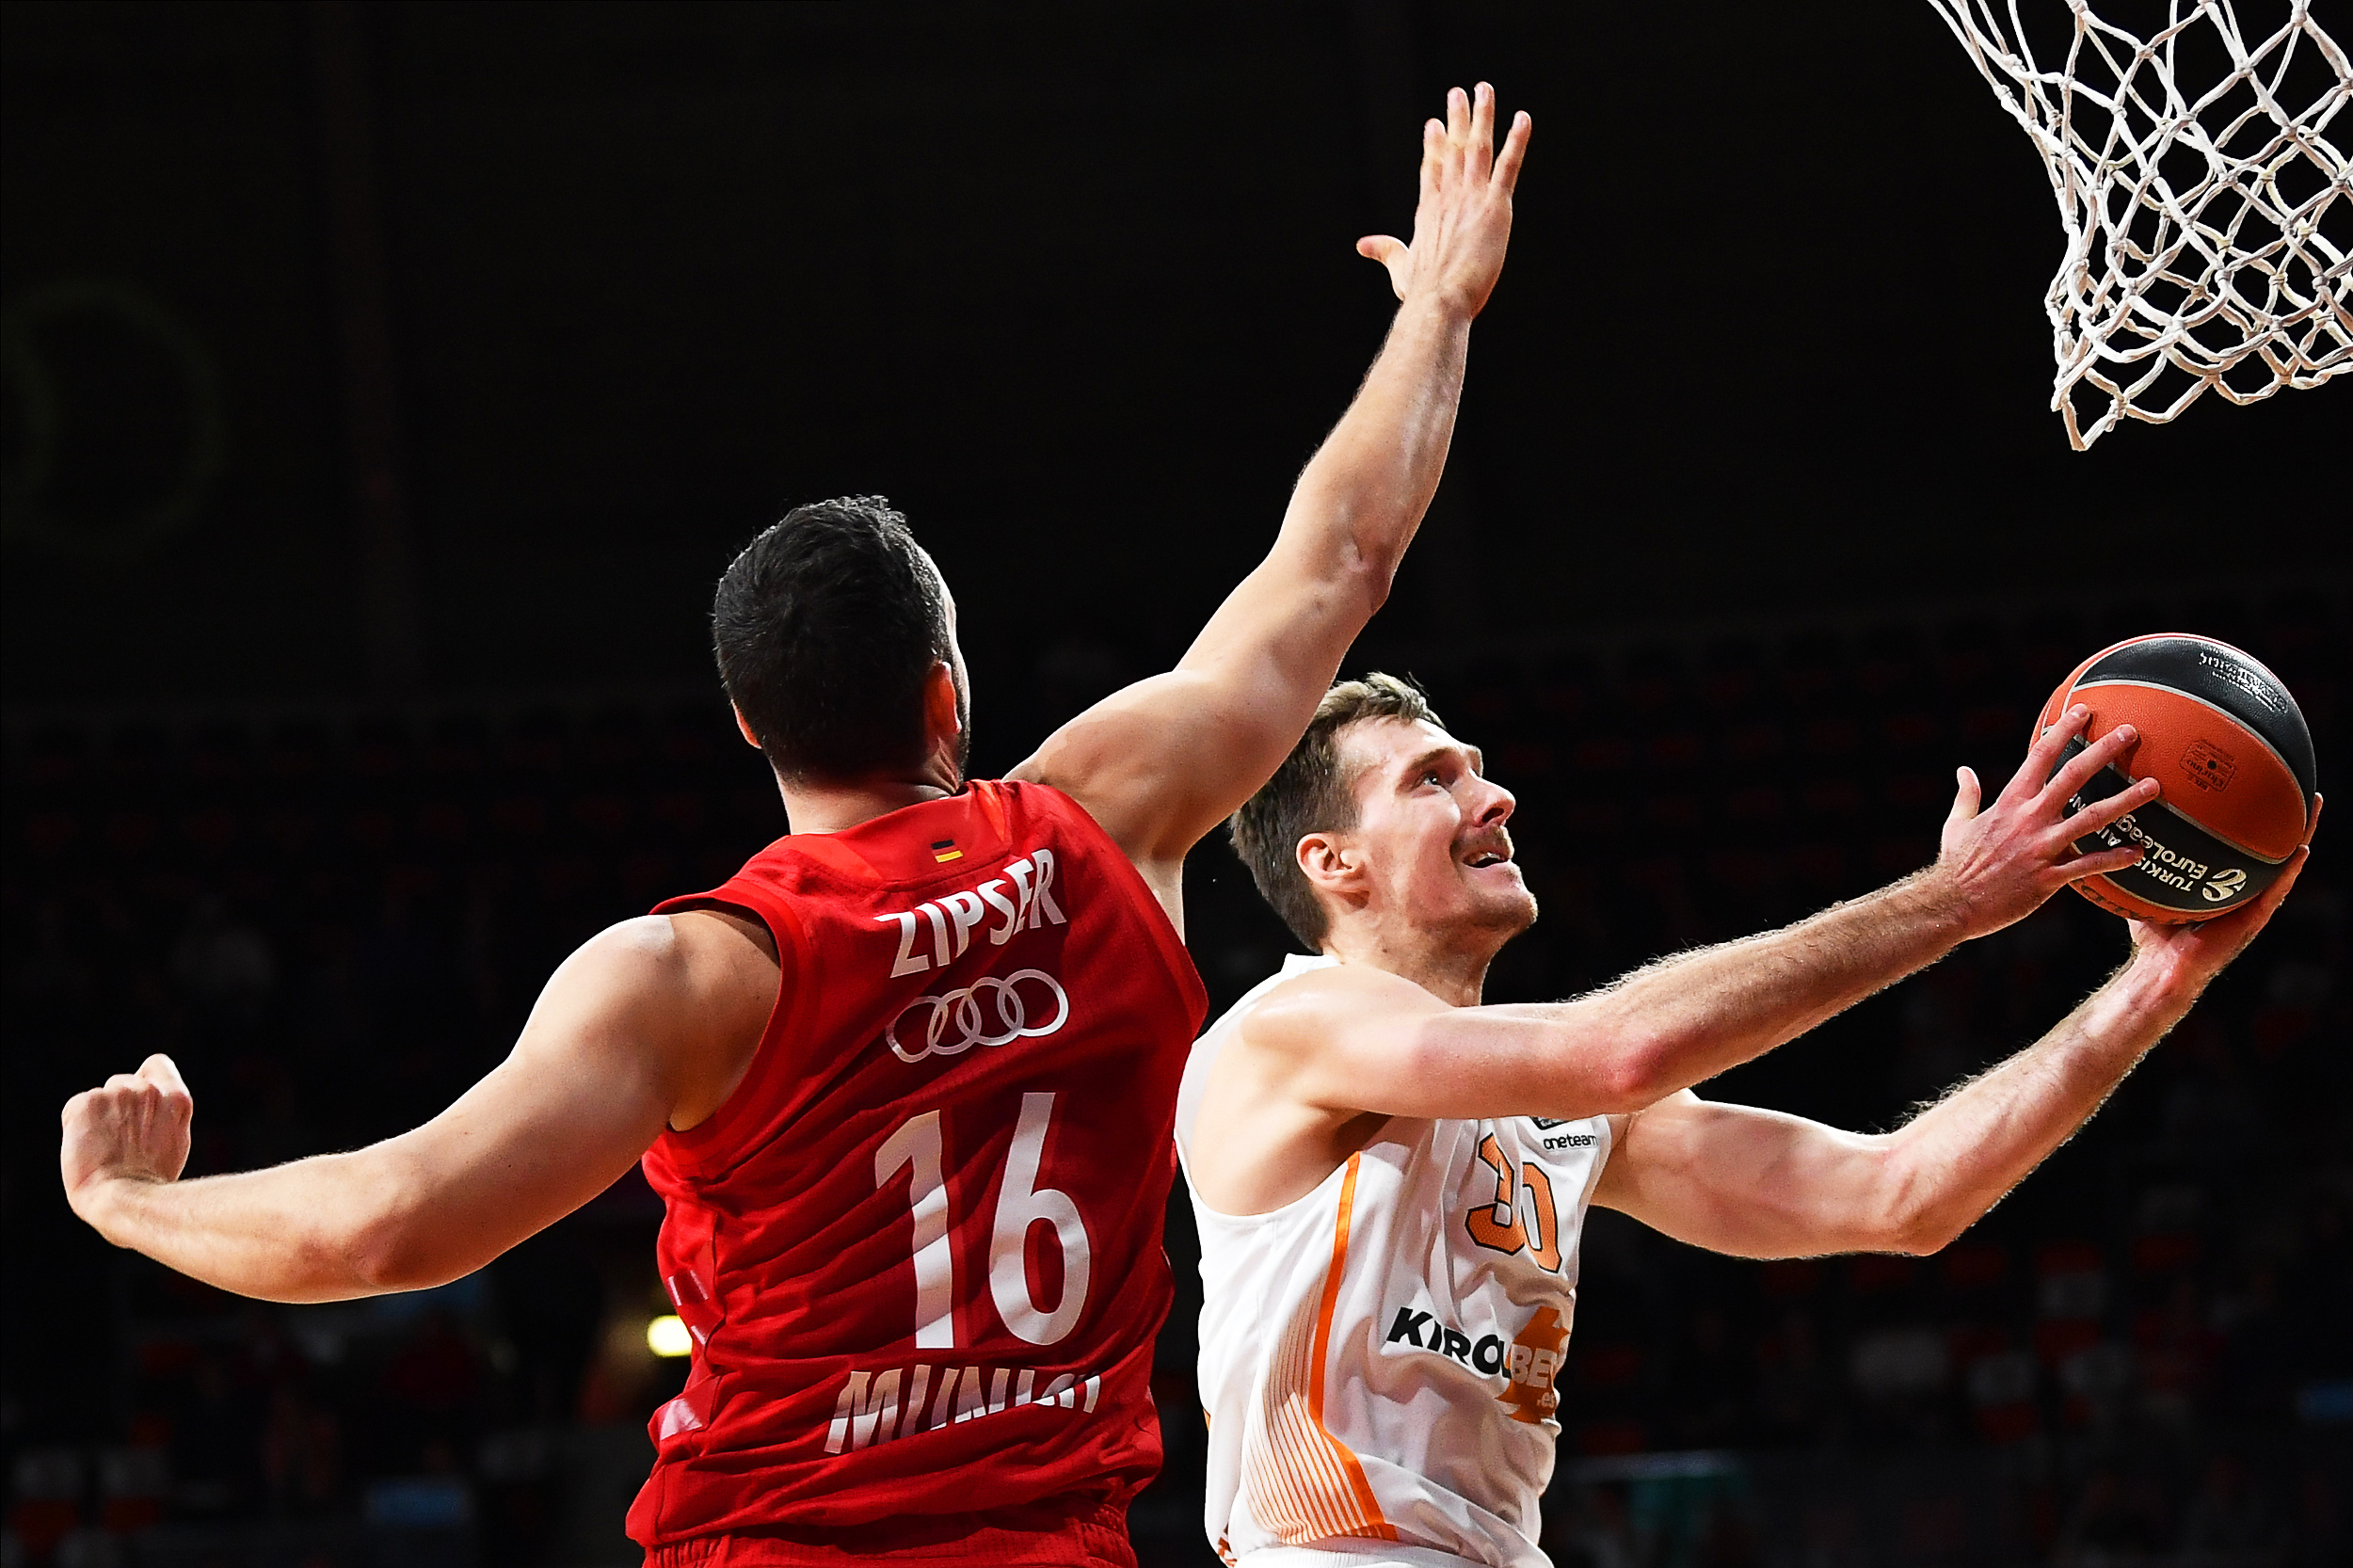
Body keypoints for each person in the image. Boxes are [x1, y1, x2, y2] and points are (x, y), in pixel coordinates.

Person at [56, 88, 1532, 1568]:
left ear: (752, 726)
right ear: (948, 692)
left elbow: (382, 1227)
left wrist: (131, 1206)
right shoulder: (1107, 820)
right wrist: (1441, 311)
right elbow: (1340, 556)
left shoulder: (691, 979)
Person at [1177, 674, 2317, 1568]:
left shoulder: (1564, 1110)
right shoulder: (1290, 1028)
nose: (1493, 796)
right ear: (1333, 863)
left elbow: (1900, 1198)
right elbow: (1618, 1048)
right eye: (1432, 779)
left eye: (1477, 769)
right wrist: (1953, 902)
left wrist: (2157, 985)